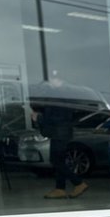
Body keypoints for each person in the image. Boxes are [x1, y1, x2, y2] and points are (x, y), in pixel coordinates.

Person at [31, 71, 88, 199]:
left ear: (57, 79)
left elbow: (58, 117)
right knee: (59, 160)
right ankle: (60, 188)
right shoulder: (62, 92)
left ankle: (78, 183)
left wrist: (39, 118)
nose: (48, 82)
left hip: (60, 132)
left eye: (50, 79)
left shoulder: (61, 94)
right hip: (60, 132)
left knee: (56, 160)